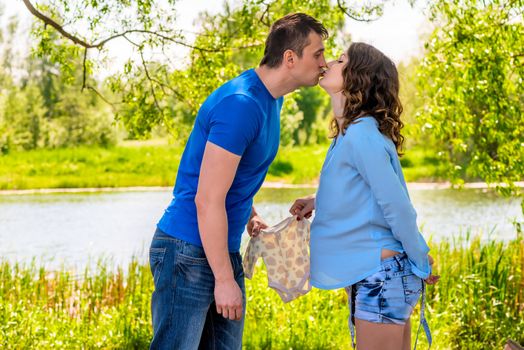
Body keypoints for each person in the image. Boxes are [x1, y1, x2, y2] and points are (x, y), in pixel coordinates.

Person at [149, 13, 328, 350]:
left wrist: (250, 214)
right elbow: (206, 199)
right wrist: (224, 279)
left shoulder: (271, 101)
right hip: (187, 251)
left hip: (219, 247)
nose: (324, 62)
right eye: (317, 54)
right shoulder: (241, 104)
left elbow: (229, 178)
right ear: (290, 58)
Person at [290, 42, 440, 350]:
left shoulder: (361, 135)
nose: (329, 62)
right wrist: (317, 200)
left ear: (358, 78)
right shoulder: (351, 134)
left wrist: (421, 259)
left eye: (341, 60)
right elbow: (365, 192)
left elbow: (397, 207)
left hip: (382, 275)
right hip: (376, 274)